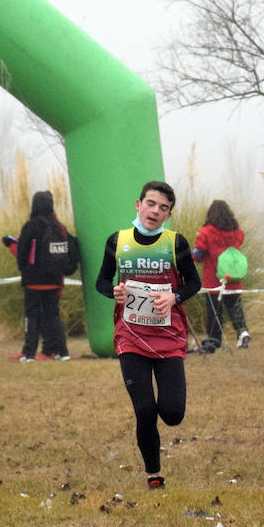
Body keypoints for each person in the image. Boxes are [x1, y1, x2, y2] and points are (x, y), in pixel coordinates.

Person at [94, 181, 202, 490]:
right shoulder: (118, 241)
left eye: (163, 207)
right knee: (144, 409)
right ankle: (153, 473)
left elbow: (192, 282)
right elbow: (102, 279)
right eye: (151, 204)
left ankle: (160, 427)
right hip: (130, 336)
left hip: (169, 337)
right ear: (138, 204)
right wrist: (112, 291)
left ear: (169, 214)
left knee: (171, 414)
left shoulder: (175, 243)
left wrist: (175, 298)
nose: (155, 211)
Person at [12, 190, 76, 361]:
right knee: (53, 315)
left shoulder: (31, 225)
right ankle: (62, 352)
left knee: (32, 316)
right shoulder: (58, 226)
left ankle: (28, 353)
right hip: (55, 280)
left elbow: (22, 251)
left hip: (34, 280)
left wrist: (24, 270)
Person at [191, 199, 251, 352]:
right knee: (235, 308)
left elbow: (198, 254)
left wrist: (192, 256)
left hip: (213, 279)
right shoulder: (237, 231)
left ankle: (214, 340)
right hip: (233, 276)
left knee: (214, 310)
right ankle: (242, 331)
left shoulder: (206, 232)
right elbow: (240, 242)